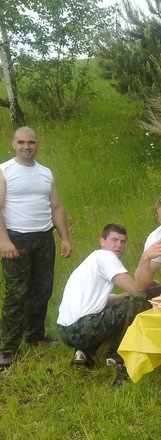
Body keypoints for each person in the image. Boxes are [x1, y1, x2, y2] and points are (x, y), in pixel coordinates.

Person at [0, 126, 72, 369]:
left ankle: (35, 335)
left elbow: (56, 206)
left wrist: (64, 238)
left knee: (42, 289)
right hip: (16, 240)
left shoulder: (45, 173)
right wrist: (4, 241)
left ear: (37, 144)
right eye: (21, 142)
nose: (26, 147)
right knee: (16, 294)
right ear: (13, 143)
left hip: (44, 238)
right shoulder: (4, 171)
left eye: (30, 142)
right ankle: (8, 347)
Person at [57, 224, 150, 388]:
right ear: (102, 241)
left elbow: (104, 301)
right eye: (114, 240)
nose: (119, 245)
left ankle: (83, 352)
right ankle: (119, 357)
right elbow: (136, 291)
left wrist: (125, 294)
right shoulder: (106, 257)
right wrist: (146, 282)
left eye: (122, 242)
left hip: (65, 331)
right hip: (82, 328)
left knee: (123, 302)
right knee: (139, 301)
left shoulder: (91, 260)